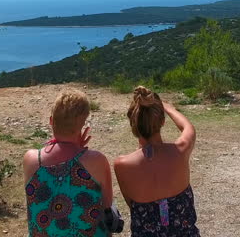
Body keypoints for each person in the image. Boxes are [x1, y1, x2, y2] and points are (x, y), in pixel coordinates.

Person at [23, 89, 113, 236]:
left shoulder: (31, 159)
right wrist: (80, 151)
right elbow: (107, 205)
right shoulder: (96, 160)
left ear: (51, 121)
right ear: (83, 124)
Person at [114, 87, 200, 236]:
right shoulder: (181, 151)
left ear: (133, 123)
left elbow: (131, 204)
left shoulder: (122, 165)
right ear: (162, 121)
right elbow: (188, 127)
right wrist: (168, 108)